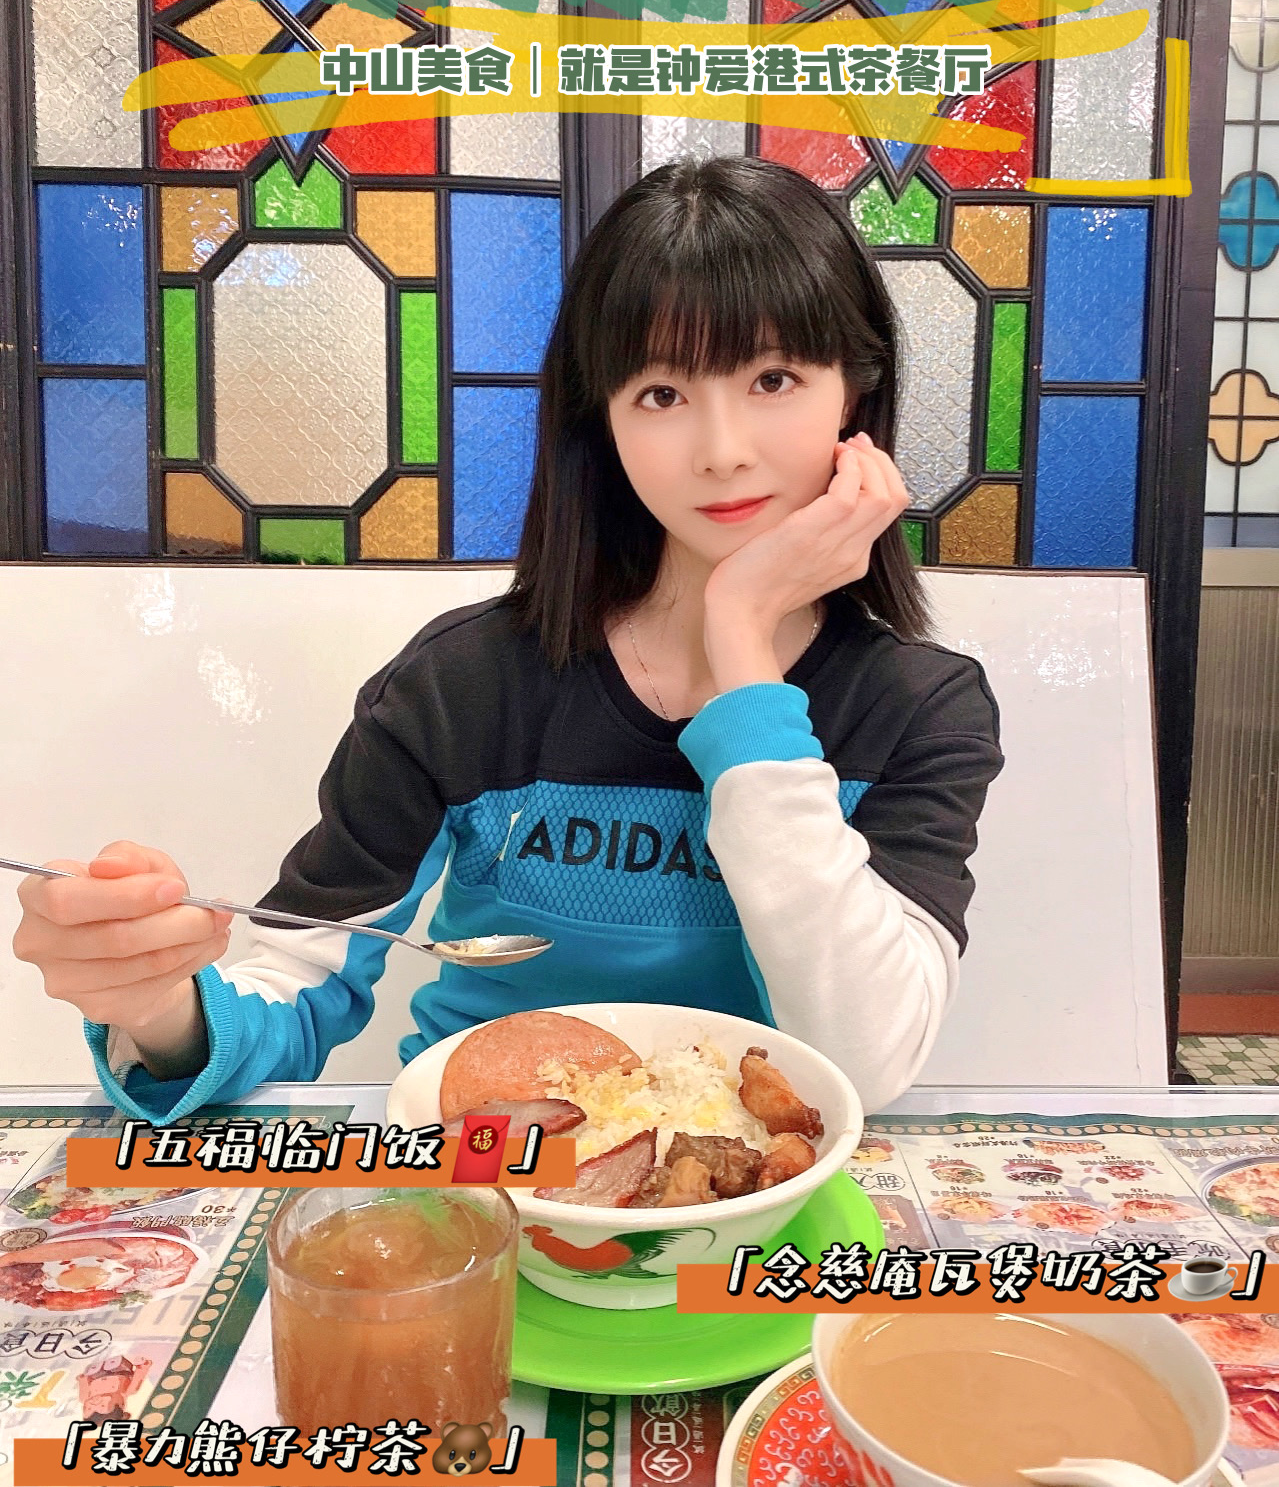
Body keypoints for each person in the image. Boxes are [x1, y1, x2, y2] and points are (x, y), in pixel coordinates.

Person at [13, 156, 1002, 1123]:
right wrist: (153, 1004)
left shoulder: (918, 708)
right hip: (484, 1184)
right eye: (661, 394)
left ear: (853, 392)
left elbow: (863, 1058)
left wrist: (741, 646)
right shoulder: (464, 683)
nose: (722, 449)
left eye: (774, 378)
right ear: (601, 418)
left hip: (759, 1191)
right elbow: (300, 976)